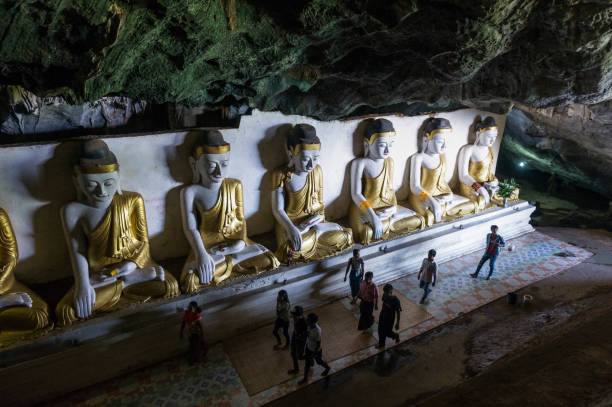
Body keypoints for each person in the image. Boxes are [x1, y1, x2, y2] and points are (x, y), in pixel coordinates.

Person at [298, 313, 330, 384]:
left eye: (308, 320)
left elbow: (318, 344)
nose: (306, 320)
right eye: (307, 319)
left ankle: (327, 368)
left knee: (319, 361)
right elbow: (307, 332)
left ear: (312, 322)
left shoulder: (317, 331)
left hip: (316, 350)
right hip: (309, 347)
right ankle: (305, 378)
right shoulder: (309, 326)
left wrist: (314, 354)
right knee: (307, 364)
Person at [377, 284, 401, 348]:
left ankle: (396, 336)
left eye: (387, 292)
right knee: (380, 330)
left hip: (390, 319)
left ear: (391, 291)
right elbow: (383, 302)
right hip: (382, 316)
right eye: (385, 292)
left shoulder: (395, 300)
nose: (386, 294)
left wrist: (397, 323)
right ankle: (381, 344)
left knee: (388, 332)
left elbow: (398, 312)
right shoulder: (384, 296)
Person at [288, 305, 308, 375]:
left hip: (301, 340)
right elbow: (296, 326)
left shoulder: (305, 322)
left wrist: (299, 336)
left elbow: (306, 334)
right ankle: (296, 369)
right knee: (293, 354)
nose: (293, 316)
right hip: (295, 336)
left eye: (294, 315)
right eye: (293, 315)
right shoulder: (296, 318)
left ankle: (310, 358)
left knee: (300, 356)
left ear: (300, 315)